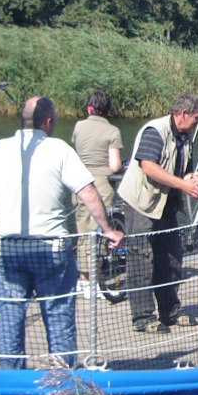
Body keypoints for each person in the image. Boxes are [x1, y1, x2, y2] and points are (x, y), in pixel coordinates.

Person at [0, 96, 125, 369]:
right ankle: (63, 377)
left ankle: (10, 373)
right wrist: (108, 229)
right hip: (50, 248)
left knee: (10, 315)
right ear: (48, 122)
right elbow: (87, 191)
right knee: (58, 314)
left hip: (7, 249)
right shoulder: (59, 150)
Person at [117, 93, 198, 333]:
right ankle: (143, 318)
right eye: (196, 118)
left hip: (166, 205)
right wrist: (183, 185)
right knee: (141, 259)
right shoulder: (155, 131)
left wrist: (192, 177)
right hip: (142, 204)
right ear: (183, 114)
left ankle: (170, 312)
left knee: (171, 258)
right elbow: (147, 166)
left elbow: (182, 172)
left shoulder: (186, 137)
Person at [70, 89, 123, 287]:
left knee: (83, 230)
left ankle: (83, 278)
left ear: (90, 107)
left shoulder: (78, 126)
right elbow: (115, 166)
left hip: (79, 183)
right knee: (101, 232)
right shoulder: (112, 131)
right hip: (101, 186)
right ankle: (92, 280)